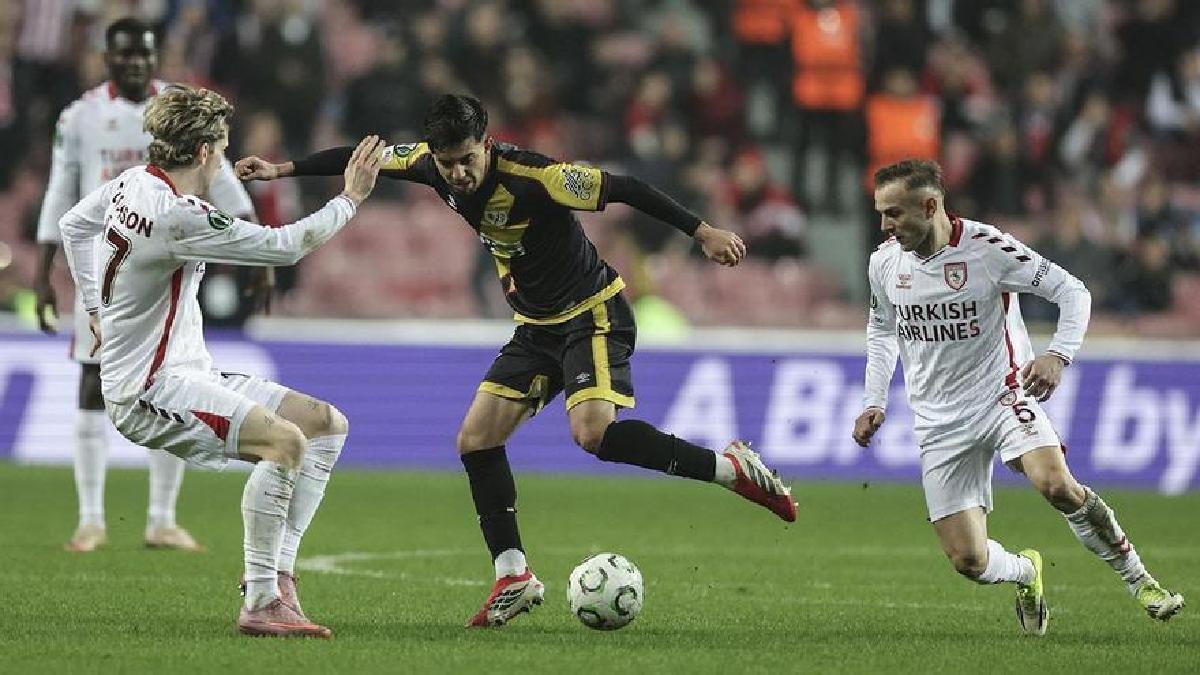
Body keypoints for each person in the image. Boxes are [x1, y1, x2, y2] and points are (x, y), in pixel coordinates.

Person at [236, 93, 797, 628]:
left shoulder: (539, 178)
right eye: (447, 163)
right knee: (476, 440)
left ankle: (730, 469)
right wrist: (281, 171)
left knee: (593, 435)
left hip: (591, 313)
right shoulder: (430, 164)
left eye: (466, 160)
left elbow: (624, 187)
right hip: (535, 327)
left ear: (487, 142)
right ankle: (513, 576)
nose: (456, 173)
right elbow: (362, 158)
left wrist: (702, 231)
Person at [58, 84, 386, 637]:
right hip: (149, 391)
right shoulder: (177, 216)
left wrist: (94, 306)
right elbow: (284, 246)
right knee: (284, 444)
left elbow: (73, 226)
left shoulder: (132, 182)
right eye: (225, 147)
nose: (227, 158)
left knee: (325, 425)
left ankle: (278, 575)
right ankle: (260, 601)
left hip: (185, 373)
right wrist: (350, 197)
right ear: (207, 151)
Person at [852, 159, 1185, 635]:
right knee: (968, 559)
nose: (885, 226)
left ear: (930, 206)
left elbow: (1073, 293)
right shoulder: (885, 262)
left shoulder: (988, 249)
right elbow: (881, 331)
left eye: (894, 214)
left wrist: (1058, 356)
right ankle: (1028, 573)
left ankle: (1141, 581)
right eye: (881, 213)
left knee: (1056, 485)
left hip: (1002, 395)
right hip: (937, 420)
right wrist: (874, 400)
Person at [33, 18, 262, 553]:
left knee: (172, 381)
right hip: (108, 266)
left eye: (144, 54)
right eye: (125, 55)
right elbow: (58, 192)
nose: (135, 63)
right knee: (92, 383)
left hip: (170, 260)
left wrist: (259, 249)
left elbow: (220, 175)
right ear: (107, 57)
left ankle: (162, 519)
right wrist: (46, 274)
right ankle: (90, 519)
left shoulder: (179, 109)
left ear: (155, 56)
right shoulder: (82, 116)